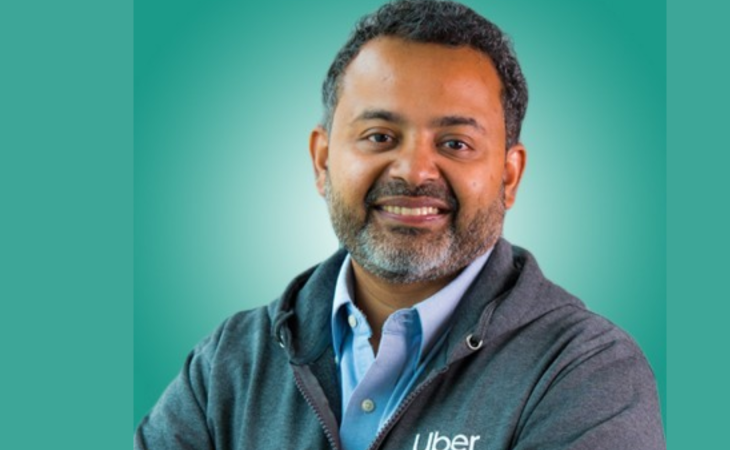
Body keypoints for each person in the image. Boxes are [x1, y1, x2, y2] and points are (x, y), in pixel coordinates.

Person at [135, 0, 666, 449]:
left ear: (509, 175)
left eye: (455, 143)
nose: (413, 171)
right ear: (322, 161)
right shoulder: (228, 366)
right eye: (380, 137)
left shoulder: (586, 372)